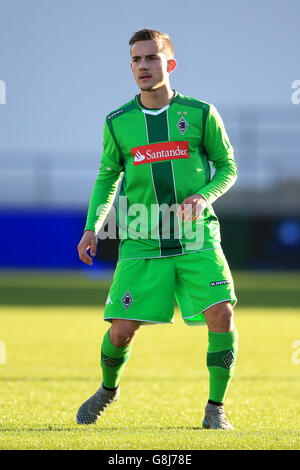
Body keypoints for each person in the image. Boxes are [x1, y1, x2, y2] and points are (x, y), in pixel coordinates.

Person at [76, 29, 238, 429]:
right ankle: (108, 389)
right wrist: (92, 227)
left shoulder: (200, 113)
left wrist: (204, 196)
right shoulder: (118, 123)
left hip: (197, 237)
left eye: (151, 58)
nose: (143, 66)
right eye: (136, 59)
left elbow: (228, 166)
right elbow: (106, 177)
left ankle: (215, 409)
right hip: (141, 240)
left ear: (170, 63)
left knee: (222, 315)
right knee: (121, 331)